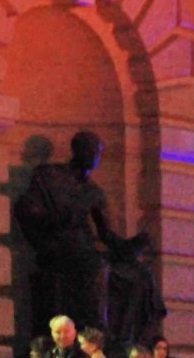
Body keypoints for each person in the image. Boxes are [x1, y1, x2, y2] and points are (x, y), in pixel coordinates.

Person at [13, 130, 142, 335]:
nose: (94, 156)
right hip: (57, 248)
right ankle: (96, 328)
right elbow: (26, 208)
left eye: (97, 152)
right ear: (76, 150)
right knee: (97, 267)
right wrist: (46, 234)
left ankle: (116, 334)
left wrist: (133, 245)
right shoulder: (49, 175)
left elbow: (106, 234)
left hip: (82, 249)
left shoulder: (94, 192)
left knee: (137, 275)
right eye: (89, 150)